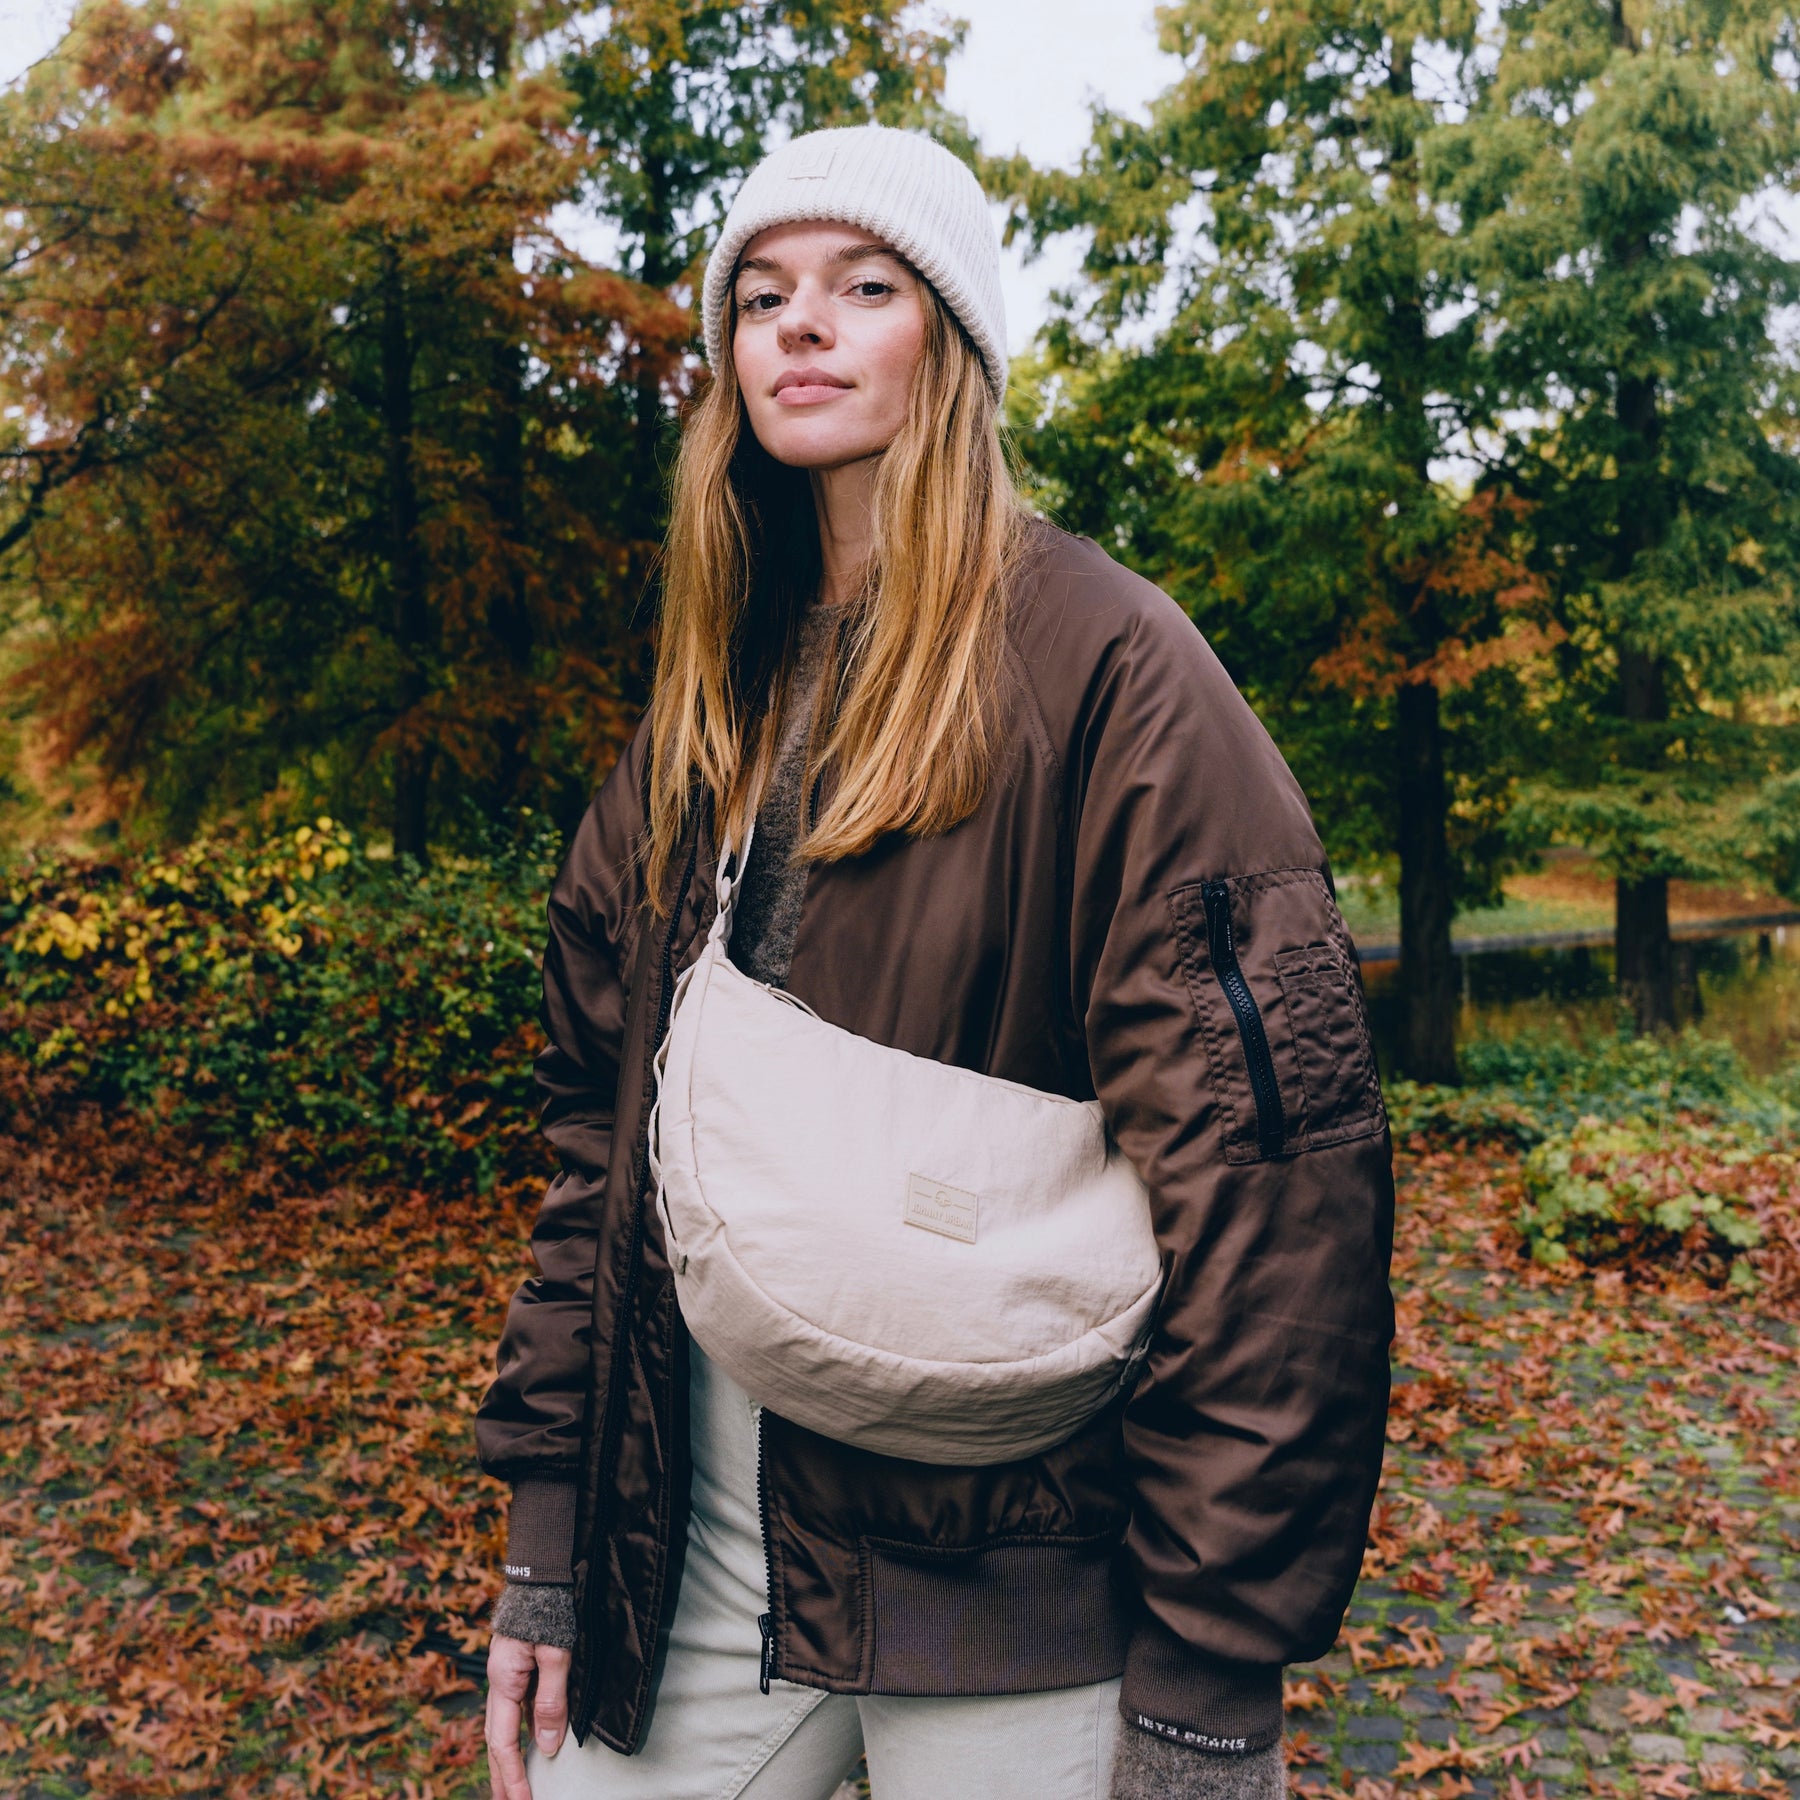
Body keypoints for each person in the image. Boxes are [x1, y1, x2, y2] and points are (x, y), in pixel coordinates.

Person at [474, 124, 1395, 1800]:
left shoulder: (1110, 671)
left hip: (1024, 1577)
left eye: (862, 286)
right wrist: (553, 1527)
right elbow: (599, 1150)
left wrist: (1207, 1672)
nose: (799, 328)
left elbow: (1274, 1183)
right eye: (761, 297)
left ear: (948, 339)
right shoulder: (708, 704)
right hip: (700, 1551)